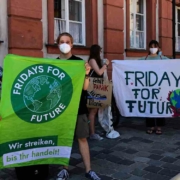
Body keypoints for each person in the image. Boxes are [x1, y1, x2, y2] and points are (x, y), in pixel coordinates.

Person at [56, 32, 101, 180]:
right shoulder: (55, 64)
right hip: (61, 108)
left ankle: (88, 170)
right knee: (64, 139)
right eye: (62, 41)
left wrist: (87, 73)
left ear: (72, 44)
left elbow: (84, 87)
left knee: (82, 138)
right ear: (58, 44)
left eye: (67, 41)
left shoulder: (79, 63)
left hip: (78, 107)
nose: (64, 44)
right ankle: (64, 169)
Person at [139, 40, 169, 135]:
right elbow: (132, 66)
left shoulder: (163, 59)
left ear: (158, 48)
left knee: (160, 105)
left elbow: (173, 65)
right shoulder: (144, 59)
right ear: (148, 48)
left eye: (155, 46)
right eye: (151, 46)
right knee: (149, 105)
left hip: (160, 87)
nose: (153, 48)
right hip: (148, 87)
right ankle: (151, 125)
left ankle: (159, 126)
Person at [88, 45, 110, 140]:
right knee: (93, 111)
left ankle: (92, 130)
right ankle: (92, 133)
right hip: (93, 87)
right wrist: (105, 65)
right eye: (100, 51)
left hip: (98, 86)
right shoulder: (92, 60)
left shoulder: (96, 60)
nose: (101, 53)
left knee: (95, 110)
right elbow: (99, 72)